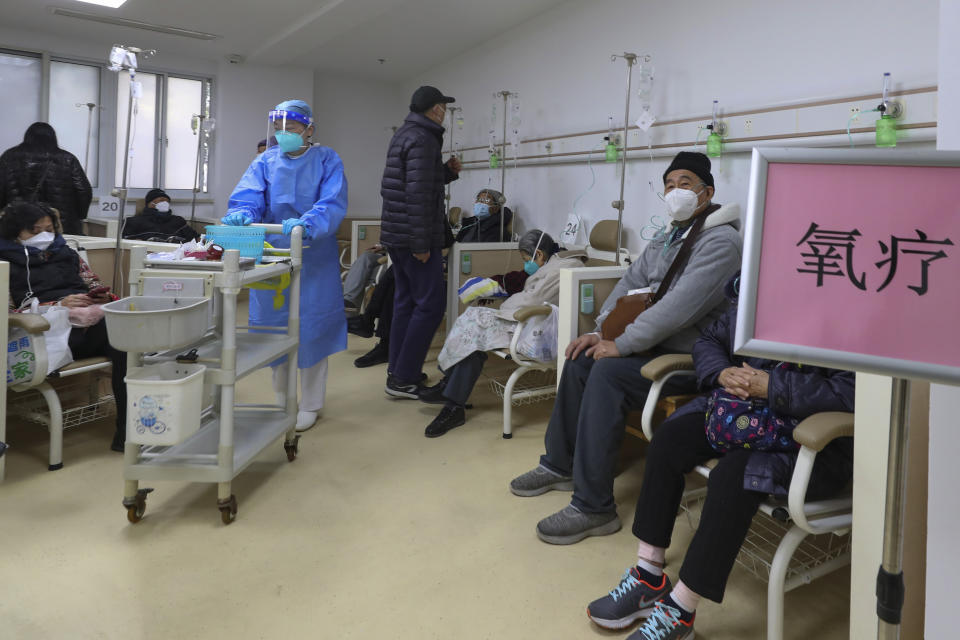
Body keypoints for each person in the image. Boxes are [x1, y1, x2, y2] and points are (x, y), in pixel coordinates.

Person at [584, 273, 854, 639]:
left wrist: (771, 385)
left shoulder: (847, 309)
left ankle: (680, 611)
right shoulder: (765, 294)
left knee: (735, 474)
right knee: (669, 440)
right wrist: (722, 371)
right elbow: (711, 338)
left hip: (813, 441)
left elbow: (850, 392)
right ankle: (648, 575)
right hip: (746, 416)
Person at [509, 151, 743, 545]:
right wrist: (601, 333)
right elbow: (627, 284)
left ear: (707, 193)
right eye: (669, 185)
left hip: (688, 357)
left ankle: (593, 507)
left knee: (608, 374)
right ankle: (560, 464)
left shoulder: (722, 242)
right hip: (650, 346)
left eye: (685, 184)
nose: (675, 192)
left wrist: (623, 344)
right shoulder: (668, 236)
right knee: (581, 355)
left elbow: (676, 309)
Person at [224, 99, 348, 432]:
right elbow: (249, 196)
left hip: (314, 256)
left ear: (309, 129)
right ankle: (282, 397)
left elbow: (332, 202)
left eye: (291, 129)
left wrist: (307, 224)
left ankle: (310, 403)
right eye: (279, 130)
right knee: (274, 330)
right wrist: (245, 214)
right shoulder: (264, 161)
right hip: (272, 256)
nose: (283, 136)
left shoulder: (327, 160)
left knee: (311, 330)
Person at [418, 230, 586, 437]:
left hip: (537, 330)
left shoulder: (565, 267)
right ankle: (451, 393)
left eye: (526, 259)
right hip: (530, 322)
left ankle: (451, 398)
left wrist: (504, 306)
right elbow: (529, 293)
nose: (526, 265)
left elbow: (532, 300)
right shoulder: (555, 263)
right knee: (472, 323)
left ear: (539, 255)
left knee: (473, 324)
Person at [0, 200, 126, 451]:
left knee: (127, 342)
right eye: (35, 231)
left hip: (85, 326)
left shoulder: (67, 253)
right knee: (120, 341)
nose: (44, 235)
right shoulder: (5, 263)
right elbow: (8, 312)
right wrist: (58, 304)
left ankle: (126, 433)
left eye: (49, 229)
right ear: (15, 233)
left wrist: (100, 296)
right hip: (41, 335)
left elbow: (92, 284)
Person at [379, 85, 460, 399]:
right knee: (430, 305)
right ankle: (404, 376)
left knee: (406, 302)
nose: (445, 114)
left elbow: (413, 182)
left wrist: (445, 174)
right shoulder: (424, 139)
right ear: (437, 109)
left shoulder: (405, 134)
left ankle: (397, 372)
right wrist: (421, 244)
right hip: (413, 238)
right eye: (444, 108)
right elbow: (416, 196)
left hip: (397, 234)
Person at [0, 122, 92, 235]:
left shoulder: (9, 157)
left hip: (20, 226)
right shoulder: (68, 159)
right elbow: (84, 191)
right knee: (59, 251)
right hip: (60, 225)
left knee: (17, 252)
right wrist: (79, 217)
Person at [122, 188, 200, 242]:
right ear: (150, 203)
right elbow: (125, 243)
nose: (165, 203)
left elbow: (196, 239)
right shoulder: (133, 222)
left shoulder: (178, 221)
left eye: (167, 201)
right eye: (161, 200)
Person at [342, 243, 387, 311]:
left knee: (364, 276)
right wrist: (383, 246)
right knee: (365, 257)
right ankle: (349, 300)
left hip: (401, 257)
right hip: (390, 253)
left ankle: (352, 307)